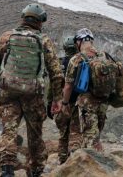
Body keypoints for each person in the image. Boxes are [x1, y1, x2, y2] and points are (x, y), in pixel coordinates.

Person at [0, 3, 64, 177]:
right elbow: (56, 72)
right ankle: (37, 170)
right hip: (34, 94)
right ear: (40, 21)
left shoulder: (6, 36)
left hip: (9, 92)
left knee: (9, 129)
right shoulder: (43, 40)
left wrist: (2, 75)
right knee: (35, 132)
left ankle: (7, 169)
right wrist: (57, 99)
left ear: (23, 17)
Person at [53, 28, 112, 151]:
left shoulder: (76, 59)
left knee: (90, 137)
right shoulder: (104, 56)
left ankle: (94, 166)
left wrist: (64, 103)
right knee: (96, 136)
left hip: (87, 104)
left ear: (78, 42)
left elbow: (68, 86)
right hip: (103, 102)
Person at [53, 36, 81, 164]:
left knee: (63, 135)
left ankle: (63, 163)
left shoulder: (59, 63)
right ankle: (75, 159)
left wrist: (51, 103)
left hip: (62, 103)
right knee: (75, 133)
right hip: (78, 103)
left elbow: (52, 86)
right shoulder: (81, 62)